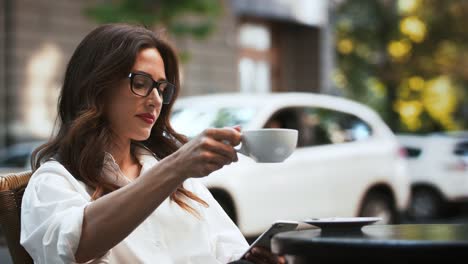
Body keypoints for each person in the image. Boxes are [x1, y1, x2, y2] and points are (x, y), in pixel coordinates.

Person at [20, 23, 285, 264]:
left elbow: (229, 249)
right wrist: (176, 167)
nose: (156, 99)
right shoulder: (54, 182)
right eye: (142, 82)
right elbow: (73, 246)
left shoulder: (181, 182)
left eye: (160, 87)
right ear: (96, 85)